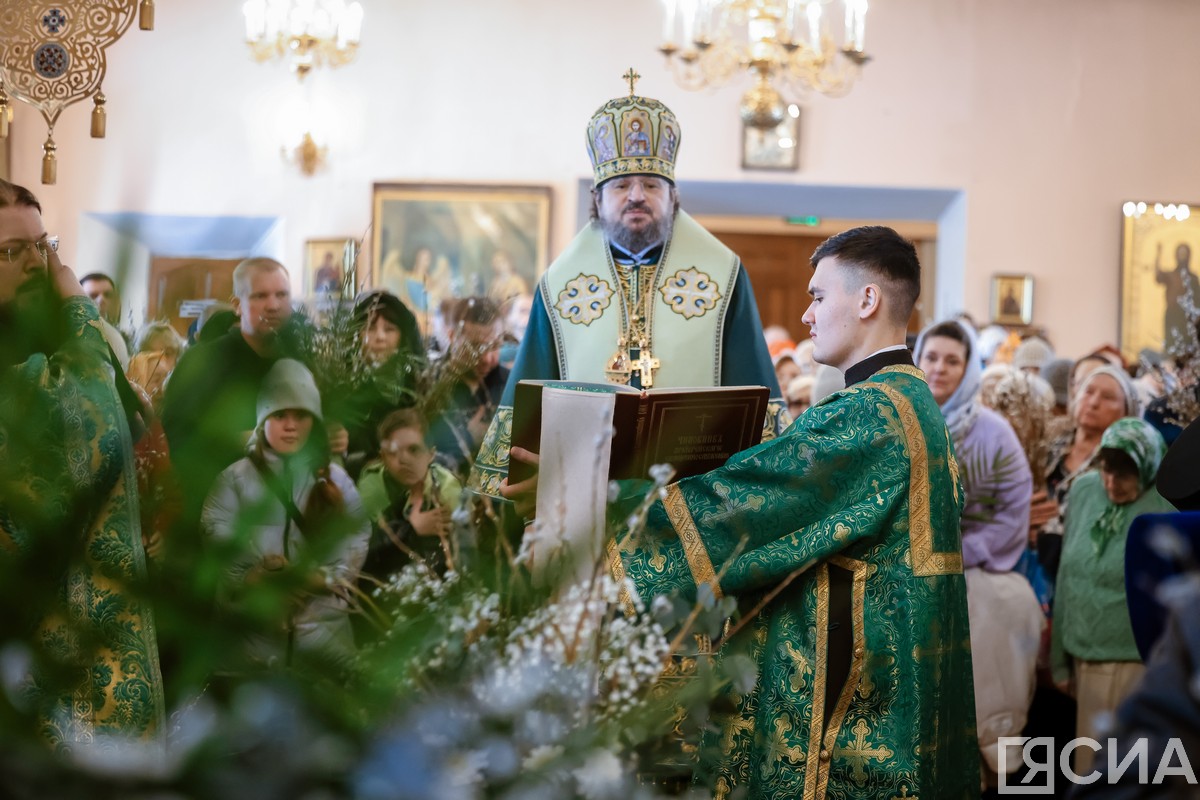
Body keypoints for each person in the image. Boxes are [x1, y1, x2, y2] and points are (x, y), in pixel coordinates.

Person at [610, 225, 978, 798]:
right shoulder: (917, 404)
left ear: (867, 300)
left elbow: (739, 510)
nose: (807, 315)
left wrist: (593, 503)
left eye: (817, 296)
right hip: (904, 705)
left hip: (852, 725)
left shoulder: (868, 414)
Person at [472, 77, 787, 500]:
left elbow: (755, 393)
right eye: (621, 185)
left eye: (652, 185)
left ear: (673, 197)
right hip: (579, 495)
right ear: (597, 200)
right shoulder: (559, 285)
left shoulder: (724, 276)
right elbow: (530, 395)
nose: (636, 196)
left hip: (696, 496)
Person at [0, 179, 164, 749]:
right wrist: (77, 307)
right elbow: (78, 414)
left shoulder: (39, 346)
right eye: (10, 251)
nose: (36, 264)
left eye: (43, 246)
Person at [914, 321, 1041, 782]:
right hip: (907, 562)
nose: (940, 369)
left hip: (975, 563)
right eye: (932, 357)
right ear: (917, 359)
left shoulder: (994, 431)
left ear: (968, 369)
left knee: (1002, 610)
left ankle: (991, 756)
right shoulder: (901, 421)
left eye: (953, 360)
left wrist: (963, 549)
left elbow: (1013, 505)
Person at [202, 359, 369, 668]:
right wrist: (256, 578)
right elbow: (217, 536)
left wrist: (315, 578)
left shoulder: (336, 479)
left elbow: (356, 539)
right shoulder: (234, 479)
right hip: (253, 645)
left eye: (301, 416)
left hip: (324, 643)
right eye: (279, 415)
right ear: (263, 419)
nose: (291, 426)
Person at [1049, 418, 1173, 773]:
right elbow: (1067, 575)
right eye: (1106, 470)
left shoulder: (1165, 507)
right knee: (1091, 767)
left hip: (1135, 662)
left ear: (1147, 465)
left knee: (1121, 773)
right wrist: (1059, 657)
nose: (1111, 483)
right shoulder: (1086, 490)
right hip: (1083, 655)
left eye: (1123, 474)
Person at [162, 256, 295, 531]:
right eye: (260, 296)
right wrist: (235, 440)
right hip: (218, 515)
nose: (273, 305)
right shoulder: (205, 361)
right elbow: (175, 438)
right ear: (237, 305)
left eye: (281, 294)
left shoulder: (297, 361)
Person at [356, 408, 462, 583]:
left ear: (431, 454)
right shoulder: (372, 490)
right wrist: (410, 530)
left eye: (414, 450)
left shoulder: (447, 487)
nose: (404, 460)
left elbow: (463, 548)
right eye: (393, 453)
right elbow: (358, 553)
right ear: (382, 457)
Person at [330, 290, 424, 479]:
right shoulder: (337, 383)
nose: (380, 337)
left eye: (389, 329)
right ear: (356, 333)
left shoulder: (419, 386)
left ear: (402, 336)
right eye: (370, 328)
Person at [429, 297, 508, 481]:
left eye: (495, 346)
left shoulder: (510, 384)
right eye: (476, 347)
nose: (487, 358)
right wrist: (467, 439)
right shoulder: (430, 383)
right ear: (451, 336)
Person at [78, 271, 130, 369]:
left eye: (108, 295)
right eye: (93, 295)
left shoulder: (128, 343)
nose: (101, 300)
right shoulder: (71, 344)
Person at [1155, 241, 1200, 353]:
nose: (1182, 256)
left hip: (1186, 317)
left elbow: (1197, 300)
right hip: (1172, 314)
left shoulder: (1193, 278)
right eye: (1180, 254)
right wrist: (1158, 254)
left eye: (1184, 254)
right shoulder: (1171, 275)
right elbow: (1158, 276)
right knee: (1171, 343)